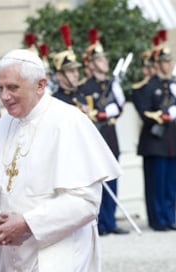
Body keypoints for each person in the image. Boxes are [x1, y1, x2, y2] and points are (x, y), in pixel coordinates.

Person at [0, 49, 121, 272]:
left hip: (57, 252)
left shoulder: (68, 121)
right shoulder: (4, 123)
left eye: (12, 87)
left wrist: (27, 222)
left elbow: (86, 202)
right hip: (11, 252)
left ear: (40, 85)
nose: (4, 97)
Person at [132, 30, 176, 231]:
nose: (168, 65)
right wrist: (163, 115)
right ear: (156, 64)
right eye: (164, 62)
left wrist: (174, 110)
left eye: (169, 61)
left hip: (170, 140)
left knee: (169, 183)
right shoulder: (145, 87)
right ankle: (157, 220)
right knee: (155, 183)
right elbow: (144, 111)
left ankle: (169, 217)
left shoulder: (171, 85)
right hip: (154, 141)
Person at [79, 28, 129, 236]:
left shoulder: (112, 84)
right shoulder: (84, 87)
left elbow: (119, 105)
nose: (104, 62)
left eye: (104, 58)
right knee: (96, 180)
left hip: (109, 134)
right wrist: (99, 113)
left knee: (112, 177)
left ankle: (110, 221)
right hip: (94, 136)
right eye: (99, 59)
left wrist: (103, 112)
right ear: (90, 63)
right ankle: (98, 222)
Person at [52, 24, 89, 113]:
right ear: (59, 75)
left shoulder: (81, 96)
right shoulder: (54, 102)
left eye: (76, 70)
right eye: (71, 71)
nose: (76, 74)